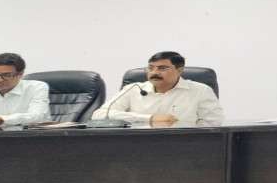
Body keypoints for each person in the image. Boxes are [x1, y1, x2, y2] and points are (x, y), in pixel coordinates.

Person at [91, 51, 224, 126]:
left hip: (183, 145)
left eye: (162, 68)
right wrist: (149, 118)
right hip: (136, 144)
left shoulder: (201, 91)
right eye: (150, 68)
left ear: (180, 70)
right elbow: (99, 115)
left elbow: (213, 123)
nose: (154, 73)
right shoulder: (133, 89)